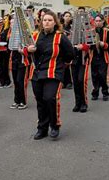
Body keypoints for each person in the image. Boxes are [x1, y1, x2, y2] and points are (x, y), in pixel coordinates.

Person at [27, 10, 74, 140]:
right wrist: (27, 50)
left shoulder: (60, 37)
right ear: (41, 22)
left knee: (50, 98)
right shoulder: (35, 36)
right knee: (40, 101)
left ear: (55, 22)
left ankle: (54, 125)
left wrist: (61, 65)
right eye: (45, 20)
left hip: (53, 72)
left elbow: (70, 53)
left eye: (50, 20)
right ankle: (42, 128)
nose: (47, 22)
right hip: (37, 73)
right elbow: (25, 50)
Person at [90, 14, 109, 101]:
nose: (98, 22)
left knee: (102, 76)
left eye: (100, 21)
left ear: (103, 21)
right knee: (94, 76)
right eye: (96, 21)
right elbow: (88, 44)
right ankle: (95, 92)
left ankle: (105, 92)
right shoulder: (91, 31)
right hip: (94, 56)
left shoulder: (108, 32)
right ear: (94, 22)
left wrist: (104, 45)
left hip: (103, 56)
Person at [0, 16, 11, 88]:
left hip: (6, 50)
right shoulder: (0, 29)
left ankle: (7, 82)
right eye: (2, 20)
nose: (3, 21)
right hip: (0, 49)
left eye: (4, 19)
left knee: (5, 66)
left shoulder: (8, 29)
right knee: (1, 66)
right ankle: (2, 82)